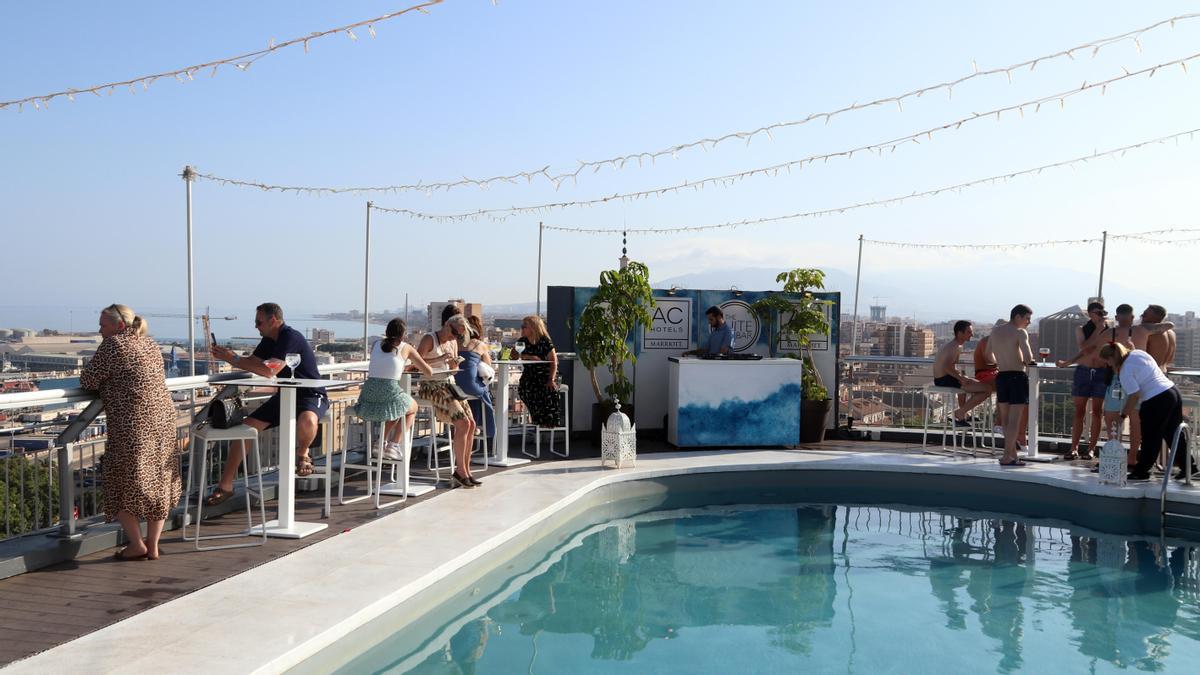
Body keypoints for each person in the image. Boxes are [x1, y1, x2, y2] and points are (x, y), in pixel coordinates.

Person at [79, 304, 180, 561]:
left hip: (134, 424)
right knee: (158, 480)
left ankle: (136, 545)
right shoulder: (149, 344)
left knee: (122, 481)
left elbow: (88, 380)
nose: (100, 329)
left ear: (119, 325)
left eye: (103, 325)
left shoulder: (114, 345)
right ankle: (153, 545)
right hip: (164, 420)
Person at [207, 303, 328, 506]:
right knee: (246, 429)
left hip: (311, 394)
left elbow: (269, 370)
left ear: (273, 320)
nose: (256, 326)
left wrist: (234, 359)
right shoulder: (268, 340)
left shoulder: (290, 336)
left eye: (259, 321)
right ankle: (226, 485)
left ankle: (303, 454)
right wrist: (231, 358)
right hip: (286, 395)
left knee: (307, 419)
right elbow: (255, 363)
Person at [1099, 342, 1193, 481]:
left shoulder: (1125, 372)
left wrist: (1122, 415)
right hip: (1172, 392)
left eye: (1107, 360)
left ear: (1112, 357)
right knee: (1173, 435)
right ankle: (1189, 467)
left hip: (1156, 400)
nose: (1107, 364)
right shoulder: (1138, 353)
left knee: (1151, 437)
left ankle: (1141, 471)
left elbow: (1134, 395)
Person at [417, 313, 480, 488]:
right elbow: (415, 363)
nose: (454, 337)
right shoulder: (430, 339)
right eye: (454, 332)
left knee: (471, 424)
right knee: (463, 423)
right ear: (446, 325)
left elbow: (453, 370)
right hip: (432, 386)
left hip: (450, 385)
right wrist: (440, 359)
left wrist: (454, 365)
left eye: (458, 335)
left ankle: (465, 470)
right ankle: (460, 471)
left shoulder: (452, 343)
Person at [358, 318, 434, 459]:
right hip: (389, 390)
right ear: (404, 334)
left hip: (368, 392)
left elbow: (385, 362)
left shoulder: (375, 344)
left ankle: (381, 442)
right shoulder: (406, 347)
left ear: (387, 331)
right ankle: (393, 444)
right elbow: (428, 372)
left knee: (396, 407)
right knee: (412, 407)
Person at [990, 305, 1036, 467]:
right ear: (1018, 317)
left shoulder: (995, 331)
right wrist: (1025, 359)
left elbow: (989, 354)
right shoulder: (1020, 332)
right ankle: (1006, 456)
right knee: (1014, 421)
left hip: (1001, 376)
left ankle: (1013, 456)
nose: (1029, 322)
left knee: (1007, 421)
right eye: (1027, 318)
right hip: (1017, 376)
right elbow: (1028, 358)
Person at [1066, 302, 1111, 460]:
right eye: (1097, 312)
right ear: (1090, 313)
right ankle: (1074, 447)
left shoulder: (1110, 330)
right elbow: (1084, 348)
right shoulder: (1081, 329)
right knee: (1079, 411)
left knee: (1098, 412)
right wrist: (1098, 330)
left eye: (1103, 312)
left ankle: (1091, 449)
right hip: (1083, 371)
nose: (1100, 315)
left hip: (1101, 371)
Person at [931, 320, 992, 426]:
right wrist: (960, 378)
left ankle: (964, 415)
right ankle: (960, 413)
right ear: (960, 333)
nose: (972, 334)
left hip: (943, 379)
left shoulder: (955, 345)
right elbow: (946, 366)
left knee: (972, 386)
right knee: (987, 389)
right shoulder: (954, 346)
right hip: (944, 380)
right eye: (969, 332)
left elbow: (951, 366)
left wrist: (962, 377)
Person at [513, 315, 561, 428]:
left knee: (548, 390)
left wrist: (551, 379)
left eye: (524, 326)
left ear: (533, 328)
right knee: (525, 389)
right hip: (530, 376)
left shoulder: (545, 342)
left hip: (547, 375)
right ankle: (538, 418)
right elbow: (514, 356)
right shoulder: (522, 341)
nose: (522, 329)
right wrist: (527, 356)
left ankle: (548, 420)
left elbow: (554, 362)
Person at [456, 315, 496, 444]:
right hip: (470, 386)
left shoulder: (454, 342)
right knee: (483, 392)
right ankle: (482, 426)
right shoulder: (480, 344)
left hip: (454, 386)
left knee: (474, 391)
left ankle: (473, 424)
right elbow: (488, 366)